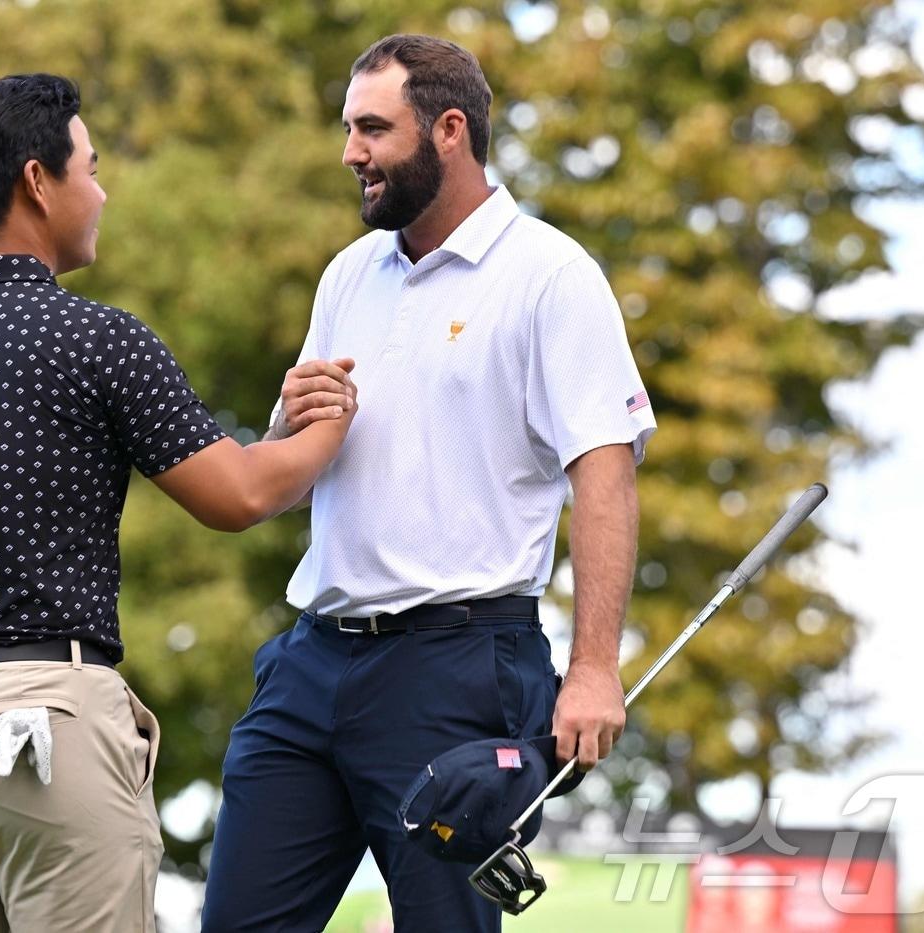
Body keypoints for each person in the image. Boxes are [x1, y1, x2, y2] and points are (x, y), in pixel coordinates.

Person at [0, 73, 356, 933]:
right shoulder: (97, 339)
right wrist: (325, 427)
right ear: (38, 182)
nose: (101, 189)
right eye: (90, 166)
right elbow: (240, 496)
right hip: (40, 725)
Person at [200, 35, 657, 932]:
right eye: (348, 129)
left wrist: (595, 668)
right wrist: (286, 425)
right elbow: (288, 483)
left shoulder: (551, 276)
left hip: (458, 672)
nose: (350, 153)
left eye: (373, 128)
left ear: (451, 129)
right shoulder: (347, 274)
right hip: (311, 661)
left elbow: (604, 477)